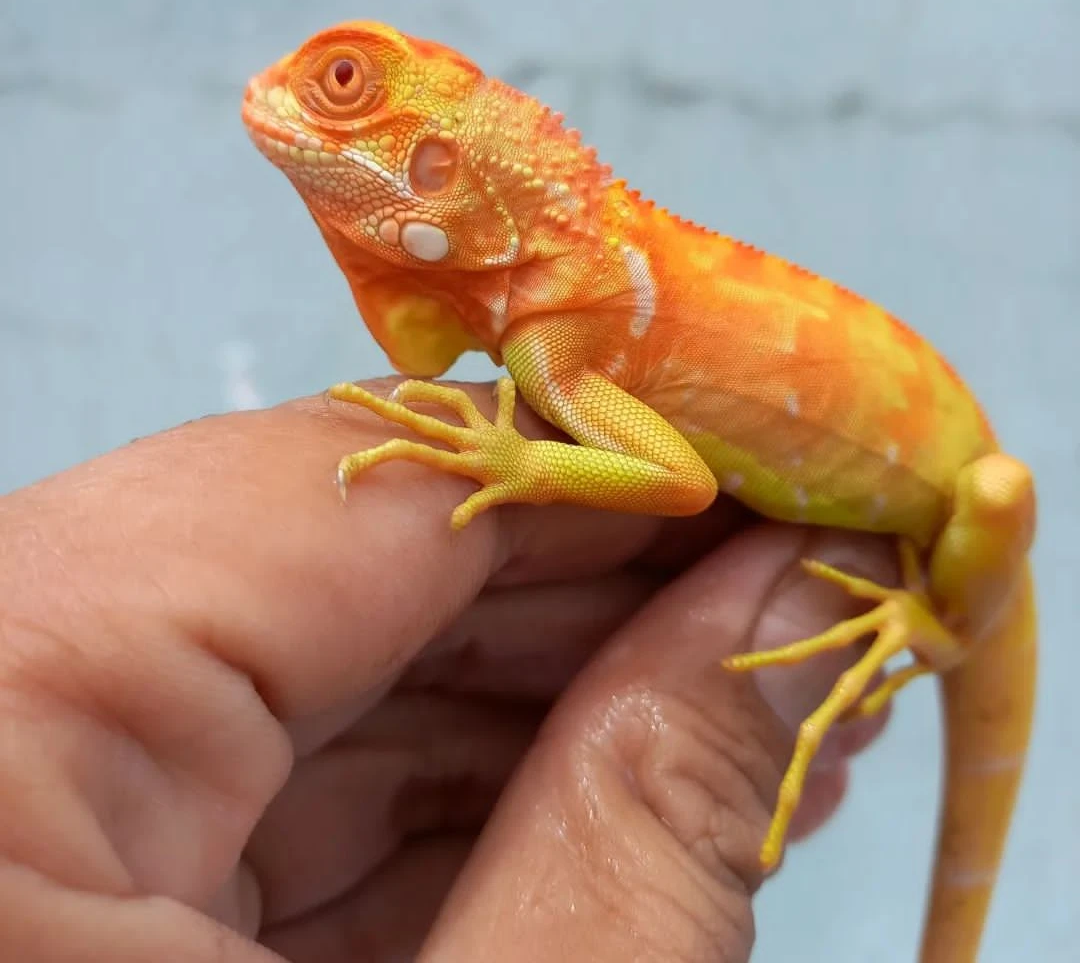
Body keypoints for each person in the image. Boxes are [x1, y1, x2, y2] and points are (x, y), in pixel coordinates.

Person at [0, 381, 894, 961]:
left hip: (954, 500)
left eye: (345, 81)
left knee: (999, 492)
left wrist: (525, 464)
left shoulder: (554, 344)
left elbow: (682, 485)